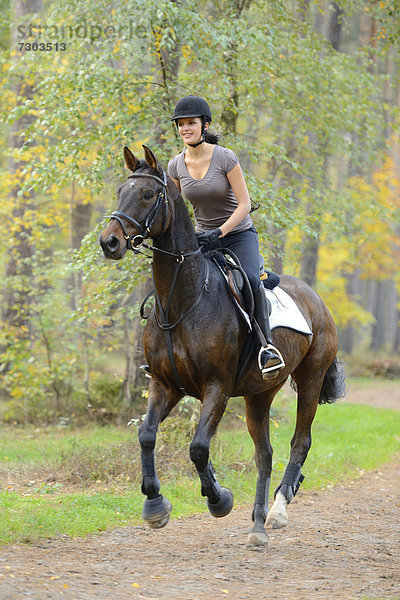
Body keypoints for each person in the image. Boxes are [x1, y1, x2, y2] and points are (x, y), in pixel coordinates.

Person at [168, 95, 284, 379]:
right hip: (201, 239)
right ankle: (168, 351)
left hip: (237, 234)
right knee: (174, 282)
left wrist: (219, 232)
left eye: (191, 123)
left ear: (204, 125)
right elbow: (176, 210)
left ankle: (266, 347)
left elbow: (244, 204)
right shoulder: (174, 166)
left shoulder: (225, 157)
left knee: (252, 280)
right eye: (181, 125)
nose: (185, 129)